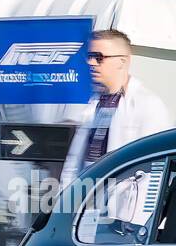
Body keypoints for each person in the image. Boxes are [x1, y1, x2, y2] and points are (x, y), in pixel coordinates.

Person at [60, 29, 170, 191]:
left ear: (122, 62)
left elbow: (155, 169)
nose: (91, 63)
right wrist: (64, 200)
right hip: (87, 203)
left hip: (124, 208)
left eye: (99, 57)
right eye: (89, 57)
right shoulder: (94, 103)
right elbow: (74, 162)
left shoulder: (148, 105)